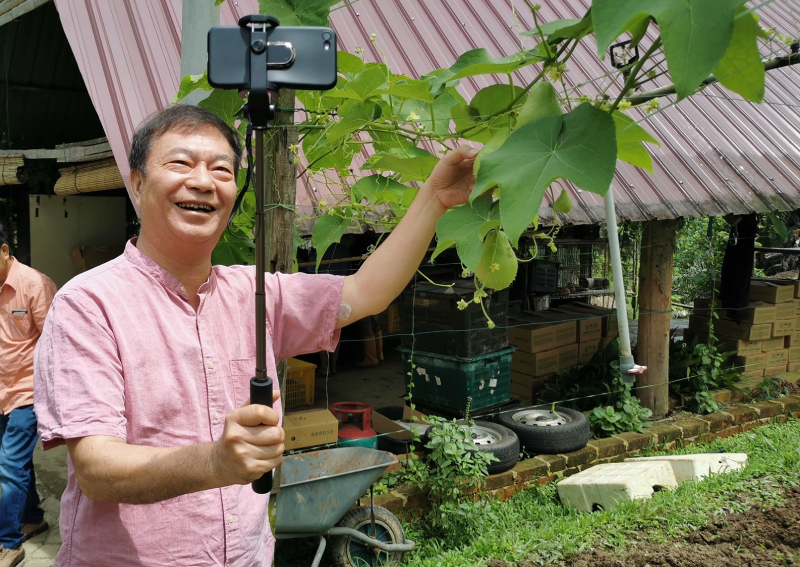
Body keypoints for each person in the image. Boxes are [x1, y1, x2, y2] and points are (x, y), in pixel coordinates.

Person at [33, 104, 477, 567]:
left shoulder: (256, 293)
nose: (203, 181)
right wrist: (214, 463)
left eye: (221, 170)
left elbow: (366, 293)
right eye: (181, 163)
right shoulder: (88, 304)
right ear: (138, 184)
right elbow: (97, 468)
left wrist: (434, 198)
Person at [0, 222, 56, 567]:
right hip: (1, 391)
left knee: (8, 466)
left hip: (27, 392)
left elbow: (56, 344)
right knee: (15, 464)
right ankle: (33, 517)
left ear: (4, 250)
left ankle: (8, 543)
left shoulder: (35, 285)